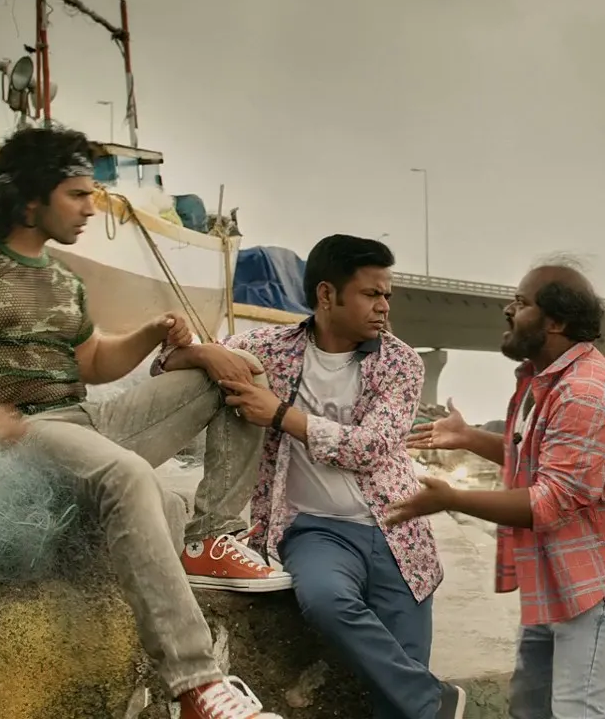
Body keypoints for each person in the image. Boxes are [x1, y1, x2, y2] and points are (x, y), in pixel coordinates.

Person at [0, 126, 287, 719]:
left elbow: (92, 363)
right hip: (22, 432)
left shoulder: (62, 278)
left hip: (84, 419)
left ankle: (207, 538)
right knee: (131, 477)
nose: (92, 208)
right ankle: (197, 686)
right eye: (77, 194)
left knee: (241, 372)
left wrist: (151, 333)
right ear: (29, 199)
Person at [155, 234, 464, 719]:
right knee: (325, 601)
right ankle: (434, 699)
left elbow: (372, 448)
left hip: (399, 533)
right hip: (315, 530)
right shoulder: (269, 349)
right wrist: (202, 354)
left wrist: (280, 414)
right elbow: (165, 366)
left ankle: (422, 701)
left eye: (387, 294)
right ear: (326, 294)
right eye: (371, 293)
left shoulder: (401, 362)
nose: (384, 306)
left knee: (394, 701)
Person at [387, 262, 605, 719]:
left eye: (521, 302)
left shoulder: (583, 392)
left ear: (556, 322)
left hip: (600, 586)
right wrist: (470, 437)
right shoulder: (545, 380)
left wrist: (451, 498)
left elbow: (552, 500)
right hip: (560, 576)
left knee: (577, 712)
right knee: (530, 707)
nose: (508, 311)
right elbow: (537, 461)